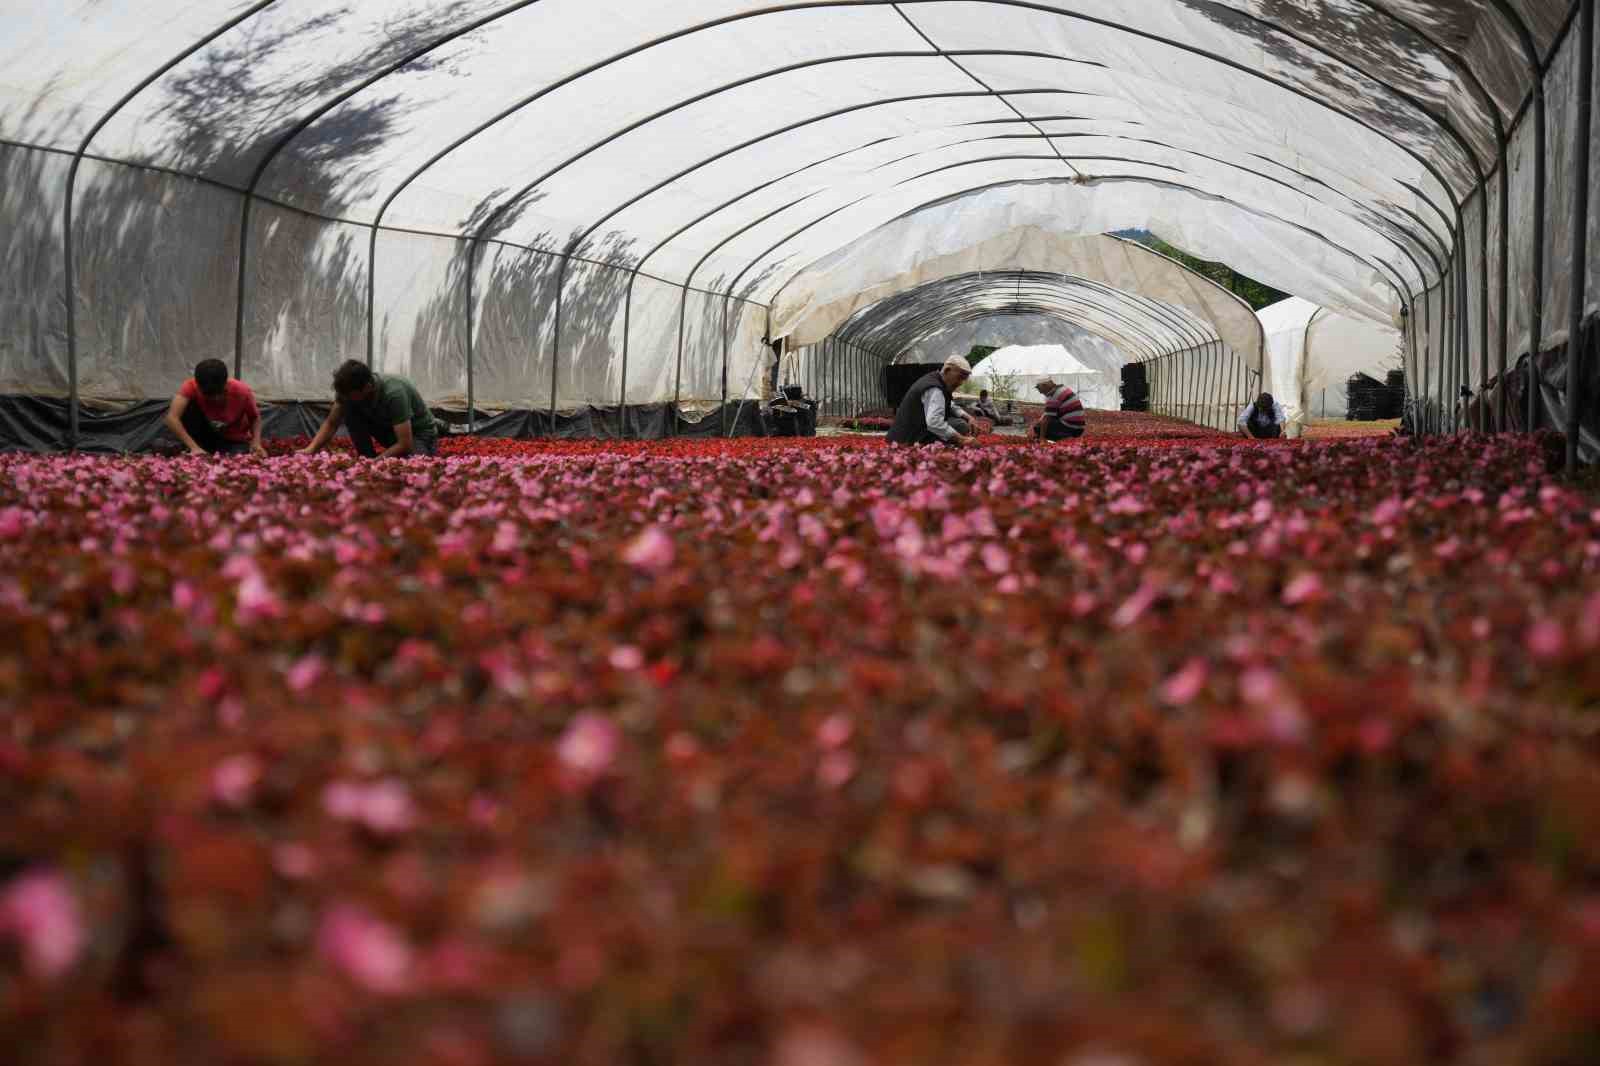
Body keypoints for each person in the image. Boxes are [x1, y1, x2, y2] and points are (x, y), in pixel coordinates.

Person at [302, 360, 440, 458]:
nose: (345, 397)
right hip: (388, 431)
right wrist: (310, 449)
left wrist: (375, 464)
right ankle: (366, 456)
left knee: (415, 465)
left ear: (367, 387)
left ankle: (371, 461)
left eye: (350, 394)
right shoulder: (347, 391)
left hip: (419, 434)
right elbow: (331, 423)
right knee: (349, 408)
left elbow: (405, 444)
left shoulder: (394, 393)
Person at [164, 358, 264, 457]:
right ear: (198, 385)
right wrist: (194, 447)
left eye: (220, 393)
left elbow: (255, 417)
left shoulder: (242, 391)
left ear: (226, 383)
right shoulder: (190, 386)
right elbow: (172, 418)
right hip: (202, 437)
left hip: (232, 439)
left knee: (237, 456)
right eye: (209, 395)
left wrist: (256, 442)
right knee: (186, 408)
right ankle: (194, 448)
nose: (216, 399)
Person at [887, 356, 979, 447]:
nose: (960, 383)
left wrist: (968, 417)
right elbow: (934, 422)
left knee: (960, 424)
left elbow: (949, 404)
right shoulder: (935, 388)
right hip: (907, 439)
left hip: (910, 433)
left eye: (963, 379)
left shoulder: (936, 380)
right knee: (960, 426)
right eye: (960, 377)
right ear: (947, 370)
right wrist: (961, 440)